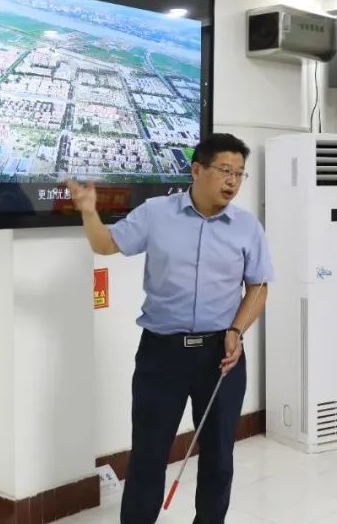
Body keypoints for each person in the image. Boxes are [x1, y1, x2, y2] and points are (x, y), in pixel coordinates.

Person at [66, 133, 273, 524]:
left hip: (221, 355)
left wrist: (237, 330)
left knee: (218, 456)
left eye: (239, 174)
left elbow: (259, 286)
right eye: (225, 171)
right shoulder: (156, 213)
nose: (232, 181)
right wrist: (89, 212)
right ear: (196, 170)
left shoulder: (247, 226)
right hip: (162, 353)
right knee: (148, 455)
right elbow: (106, 245)